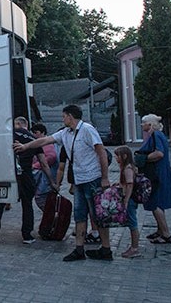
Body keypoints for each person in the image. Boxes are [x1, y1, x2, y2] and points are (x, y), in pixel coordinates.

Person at [14, 104, 112, 261]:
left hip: (92, 178)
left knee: (97, 214)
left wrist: (105, 177)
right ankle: (79, 249)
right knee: (80, 214)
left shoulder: (87, 129)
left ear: (70, 117)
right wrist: (25, 146)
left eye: (63, 116)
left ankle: (106, 249)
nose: (62, 119)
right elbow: (44, 140)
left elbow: (101, 152)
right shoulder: (66, 133)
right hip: (79, 180)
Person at [0, 117, 57, 244]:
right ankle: (27, 235)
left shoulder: (7, 136)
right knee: (27, 204)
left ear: (17, 124)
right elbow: (43, 163)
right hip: (26, 174)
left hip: (6, 173)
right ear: (26, 125)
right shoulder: (33, 139)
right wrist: (52, 182)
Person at [138, 113, 171, 244]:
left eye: (144, 122)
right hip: (160, 172)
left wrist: (144, 158)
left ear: (150, 124)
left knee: (155, 203)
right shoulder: (159, 135)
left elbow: (159, 153)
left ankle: (165, 233)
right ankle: (160, 230)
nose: (142, 125)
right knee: (158, 202)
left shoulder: (155, 135)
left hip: (156, 174)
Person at [114, 146, 141, 258]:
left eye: (117, 156)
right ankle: (134, 247)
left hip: (129, 199)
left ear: (124, 156)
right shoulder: (129, 167)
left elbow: (130, 184)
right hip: (130, 198)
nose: (116, 158)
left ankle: (134, 248)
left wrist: (126, 199)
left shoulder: (127, 168)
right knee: (131, 222)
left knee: (132, 223)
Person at [29, 123, 58, 211]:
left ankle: (51, 218)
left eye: (36, 132)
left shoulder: (46, 143)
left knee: (42, 199)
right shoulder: (40, 143)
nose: (34, 135)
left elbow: (51, 157)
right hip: (43, 176)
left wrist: (35, 166)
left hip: (46, 177)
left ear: (42, 132)